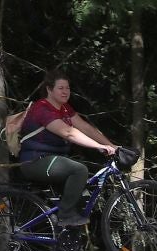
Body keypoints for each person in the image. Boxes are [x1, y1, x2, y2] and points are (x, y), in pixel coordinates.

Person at [9, 70, 122, 226]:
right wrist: (99, 146)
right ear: (49, 89)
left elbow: (85, 127)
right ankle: (66, 215)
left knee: (86, 182)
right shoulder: (42, 109)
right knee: (79, 170)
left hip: (53, 160)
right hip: (35, 161)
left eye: (67, 88)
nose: (65, 92)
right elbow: (69, 133)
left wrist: (111, 145)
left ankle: (67, 228)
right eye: (60, 88)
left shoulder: (65, 108)